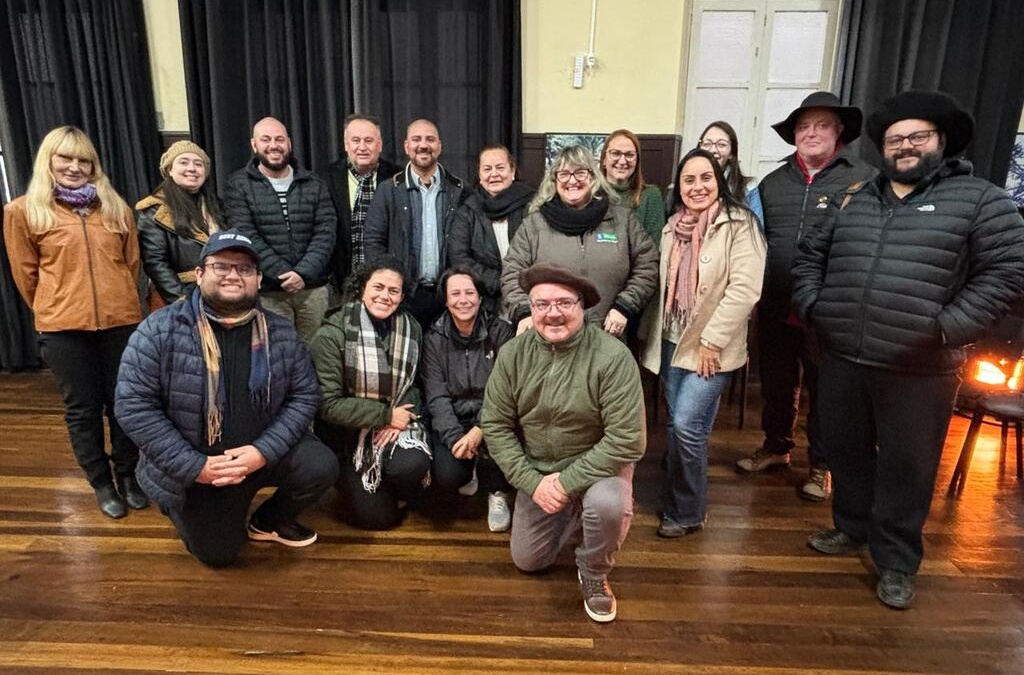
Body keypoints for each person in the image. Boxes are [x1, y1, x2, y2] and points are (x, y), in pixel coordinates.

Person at [793, 90, 1024, 609]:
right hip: (845, 357)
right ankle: (851, 527)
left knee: (907, 466)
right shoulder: (855, 195)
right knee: (846, 452)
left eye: (917, 136)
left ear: (941, 141)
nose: (904, 146)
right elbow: (810, 256)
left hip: (920, 368)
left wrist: (948, 326)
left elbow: (1009, 271)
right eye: (895, 139)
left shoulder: (981, 201)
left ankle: (896, 560)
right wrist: (814, 306)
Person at [116, 230, 338, 566]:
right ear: (200, 274)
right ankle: (182, 507)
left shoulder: (279, 332)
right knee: (217, 554)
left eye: (245, 269)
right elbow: (133, 407)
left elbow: (304, 395)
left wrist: (263, 452)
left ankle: (267, 521)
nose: (234, 275)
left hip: (259, 454)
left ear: (258, 279)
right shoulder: (159, 330)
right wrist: (195, 467)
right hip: (200, 467)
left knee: (321, 465)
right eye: (222, 266)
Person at [481, 264, 646, 623]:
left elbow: (627, 440)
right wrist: (532, 483)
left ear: (583, 306)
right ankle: (573, 510)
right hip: (540, 469)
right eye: (541, 304)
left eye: (564, 303)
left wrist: (567, 482)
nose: (552, 313)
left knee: (608, 504)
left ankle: (594, 571)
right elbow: (494, 425)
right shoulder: (513, 355)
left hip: (598, 467)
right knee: (529, 560)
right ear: (531, 309)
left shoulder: (613, 357)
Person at [734, 92, 875, 502]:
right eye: (803, 126)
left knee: (827, 393)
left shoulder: (864, 181)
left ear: (839, 132)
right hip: (776, 307)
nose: (811, 133)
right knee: (777, 385)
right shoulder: (772, 184)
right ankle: (777, 447)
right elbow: (752, 240)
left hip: (832, 314)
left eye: (821, 125)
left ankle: (822, 464)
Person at [4, 125, 145, 519]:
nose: (75, 166)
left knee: (124, 405)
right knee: (82, 409)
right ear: (49, 161)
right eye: (65, 158)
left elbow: (131, 265)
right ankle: (101, 483)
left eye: (84, 160)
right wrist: (58, 307)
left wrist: (118, 301)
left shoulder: (117, 209)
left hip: (121, 322)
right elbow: (26, 275)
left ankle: (128, 475)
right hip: (64, 329)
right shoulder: (22, 212)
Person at [640, 148, 766, 537]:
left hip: (712, 348)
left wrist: (712, 340)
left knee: (685, 426)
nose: (698, 187)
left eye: (705, 178)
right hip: (671, 340)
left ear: (719, 181)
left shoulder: (740, 224)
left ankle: (687, 510)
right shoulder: (671, 227)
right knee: (684, 427)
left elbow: (745, 289)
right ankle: (679, 487)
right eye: (689, 180)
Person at [311, 257, 432, 530]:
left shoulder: (410, 328)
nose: (384, 296)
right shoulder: (332, 334)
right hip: (347, 440)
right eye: (378, 287)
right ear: (362, 288)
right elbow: (327, 405)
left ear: (402, 297)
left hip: (398, 423)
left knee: (413, 463)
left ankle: (392, 485)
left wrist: (402, 416)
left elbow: (415, 385)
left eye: (393, 291)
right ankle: (368, 489)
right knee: (379, 518)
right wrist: (385, 416)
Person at [501, 145, 659, 340]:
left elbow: (648, 264)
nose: (572, 180)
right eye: (564, 174)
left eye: (580, 173)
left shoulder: (622, 220)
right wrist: (524, 311)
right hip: (551, 338)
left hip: (607, 337)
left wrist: (625, 306)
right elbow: (511, 271)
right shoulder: (534, 224)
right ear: (554, 181)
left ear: (593, 177)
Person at [223, 116, 337, 343]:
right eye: (266, 139)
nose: (274, 145)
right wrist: (284, 275)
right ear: (254, 145)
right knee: (277, 355)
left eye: (279, 139)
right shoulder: (238, 185)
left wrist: (303, 273)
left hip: (313, 288)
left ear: (289, 143)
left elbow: (326, 231)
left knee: (317, 353)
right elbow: (246, 234)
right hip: (269, 291)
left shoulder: (314, 183)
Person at [421, 267, 515, 532]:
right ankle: (471, 465)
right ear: (446, 300)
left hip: (496, 416)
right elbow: (436, 395)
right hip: (456, 419)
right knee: (448, 475)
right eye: (455, 293)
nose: (463, 300)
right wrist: (454, 437)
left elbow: (506, 392)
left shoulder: (501, 332)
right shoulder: (434, 338)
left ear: (480, 297)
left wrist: (480, 429)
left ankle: (497, 492)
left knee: (507, 440)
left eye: (469, 292)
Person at [364, 118, 467, 329]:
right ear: (406, 146)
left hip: (447, 295)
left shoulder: (459, 190)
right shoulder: (388, 190)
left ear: (439, 145)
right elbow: (374, 241)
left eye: (430, 139)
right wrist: (390, 286)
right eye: (416, 139)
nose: (423, 145)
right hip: (405, 295)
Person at [136, 140, 225, 306]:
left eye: (198, 164)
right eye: (184, 162)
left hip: (218, 294)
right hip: (177, 299)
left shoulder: (217, 207)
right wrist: (182, 301)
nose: (192, 168)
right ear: (169, 169)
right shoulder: (155, 211)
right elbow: (155, 263)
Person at [447, 145, 534, 314]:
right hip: (486, 302)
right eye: (487, 169)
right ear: (480, 175)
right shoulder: (467, 210)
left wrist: (518, 284)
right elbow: (460, 259)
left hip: (529, 297)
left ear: (513, 171)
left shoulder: (533, 205)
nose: (494, 174)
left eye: (500, 168)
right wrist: (500, 282)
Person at [318, 114, 401, 290]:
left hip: (386, 282)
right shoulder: (324, 178)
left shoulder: (398, 178)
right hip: (339, 282)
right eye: (356, 140)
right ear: (346, 145)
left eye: (369, 140)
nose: (362, 147)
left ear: (380, 145)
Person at [599, 129, 666, 246]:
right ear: (604, 159)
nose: (622, 161)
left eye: (629, 155)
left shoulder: (650, 196)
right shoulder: (591, 194)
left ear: (637, 161)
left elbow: (652, 247)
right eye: (615, 153)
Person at [697, 121, 763, 225]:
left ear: (732, 153)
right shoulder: (687, 185)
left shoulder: (748, 187)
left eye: (721, 144)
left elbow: (757, 230)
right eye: (707, 144)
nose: (713, 150)